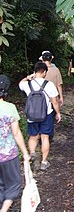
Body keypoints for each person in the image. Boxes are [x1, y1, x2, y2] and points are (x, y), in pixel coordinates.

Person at [19, 62, 61, 171]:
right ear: (44, 72)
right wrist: (58, 113)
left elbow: (20, 84)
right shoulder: (49, 84)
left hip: (31, 115)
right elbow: (54, 101)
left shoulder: (27, 84)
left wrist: (28, 78)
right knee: (45, 137)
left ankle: (32, 154)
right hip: (46, 115)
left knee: (33, 136)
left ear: (35, 71)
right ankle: (44, 162)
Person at [0, 75, 30, 212]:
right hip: (8, 155)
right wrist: (25, 153)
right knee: (13, 184)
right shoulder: (10, 107)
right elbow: (16, 132)